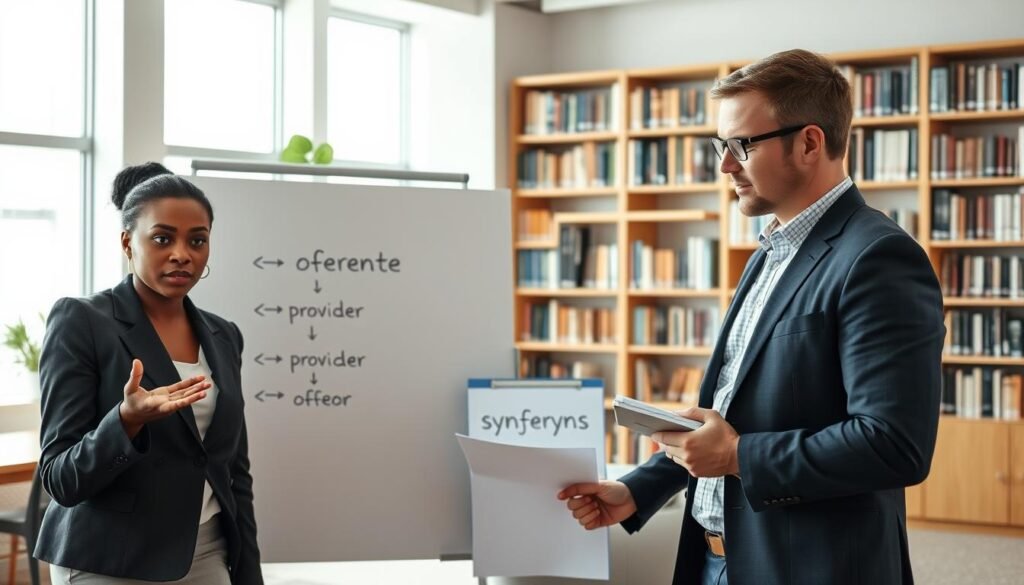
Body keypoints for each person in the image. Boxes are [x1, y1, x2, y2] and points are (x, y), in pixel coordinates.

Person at [559, 49, 945, 585]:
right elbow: (730, 410)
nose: (725, 165)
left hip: (810, 568)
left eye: (741, 144)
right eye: (721, 145)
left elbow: (894, 444)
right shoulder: (770, 249)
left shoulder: (878, 258)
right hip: (717, 559)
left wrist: (741, 456)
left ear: (810, 142)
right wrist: (638, 489)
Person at [35, 164, 263, 584]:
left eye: (197, 240)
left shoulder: (224, 335)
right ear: (128, 242)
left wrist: (249, 571)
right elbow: (59, 478)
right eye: (162, 238)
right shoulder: (81, 321)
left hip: (207, 550)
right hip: (108, 557)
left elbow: (234, 469)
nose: (182, 253)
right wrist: (126, 421)